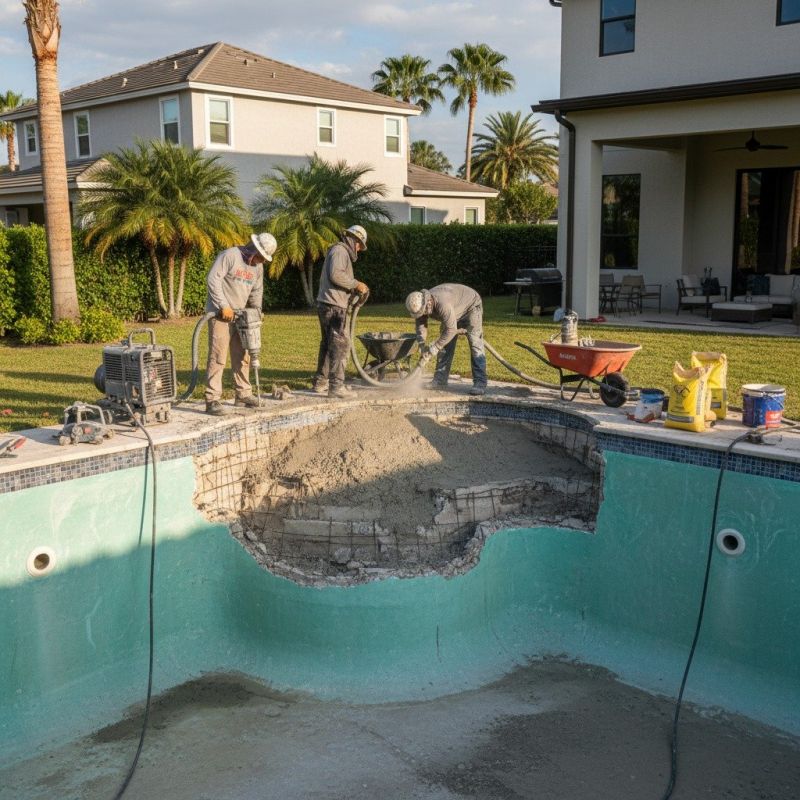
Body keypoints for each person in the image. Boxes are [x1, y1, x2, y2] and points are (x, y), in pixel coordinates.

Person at [204, 232, 277, 415]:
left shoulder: (257, 267)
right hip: (220, 314)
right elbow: (213, 279)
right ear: (254, 249)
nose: (261, 261)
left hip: (242, 316)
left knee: (243, 355)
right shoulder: (230, 256)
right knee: (218, 356)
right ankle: (212, 399)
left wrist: (256, 312)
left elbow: (256, 291)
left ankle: (243, 394)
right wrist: (223, 306)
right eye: (261, 257)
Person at [313, 225, 369, 399]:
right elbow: (336, 275)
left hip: (328, 303)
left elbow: (336, 278)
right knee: (340, 345)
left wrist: (352, 292)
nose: (359, 248)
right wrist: (356, 284)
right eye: (359, 244)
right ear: (354, 239)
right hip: (333, 306)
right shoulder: (340, 251)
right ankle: (336, 386)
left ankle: (320, 382)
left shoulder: (338, 251)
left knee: (328, 343)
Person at [405, 283, 487, 396]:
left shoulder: (442, 304)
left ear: (427, 304)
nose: (422, 315)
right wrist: (422, 344)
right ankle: (440, 380)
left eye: (423, 312)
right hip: (454, 310)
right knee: (445, 345)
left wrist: (435, 347)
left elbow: (451, 330)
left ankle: (480, 383)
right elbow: (421, 325)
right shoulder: (421, 305)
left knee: (475, 345)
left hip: (471, 307)